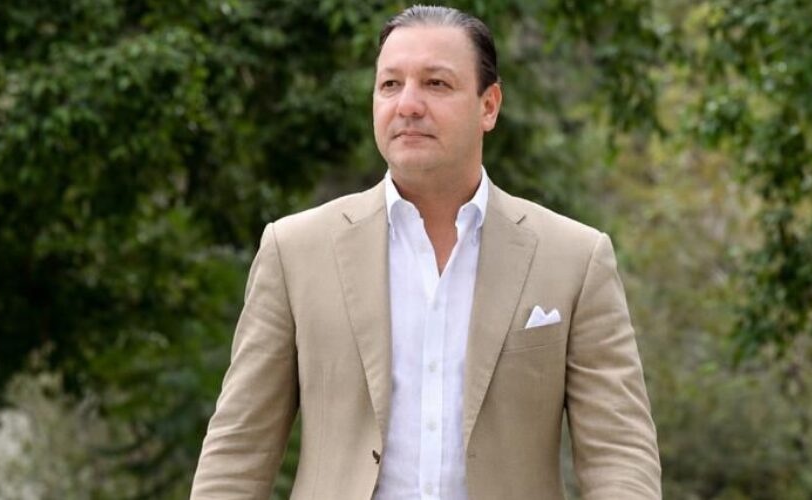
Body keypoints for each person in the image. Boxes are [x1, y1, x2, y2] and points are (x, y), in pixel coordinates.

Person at [191, 5, 661, 499]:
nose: (408, 104)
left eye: (436, 84)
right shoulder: (295, 252)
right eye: (390, 84)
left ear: (489, 106)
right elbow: (237, 454)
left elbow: (619, 453)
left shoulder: (574, 259)